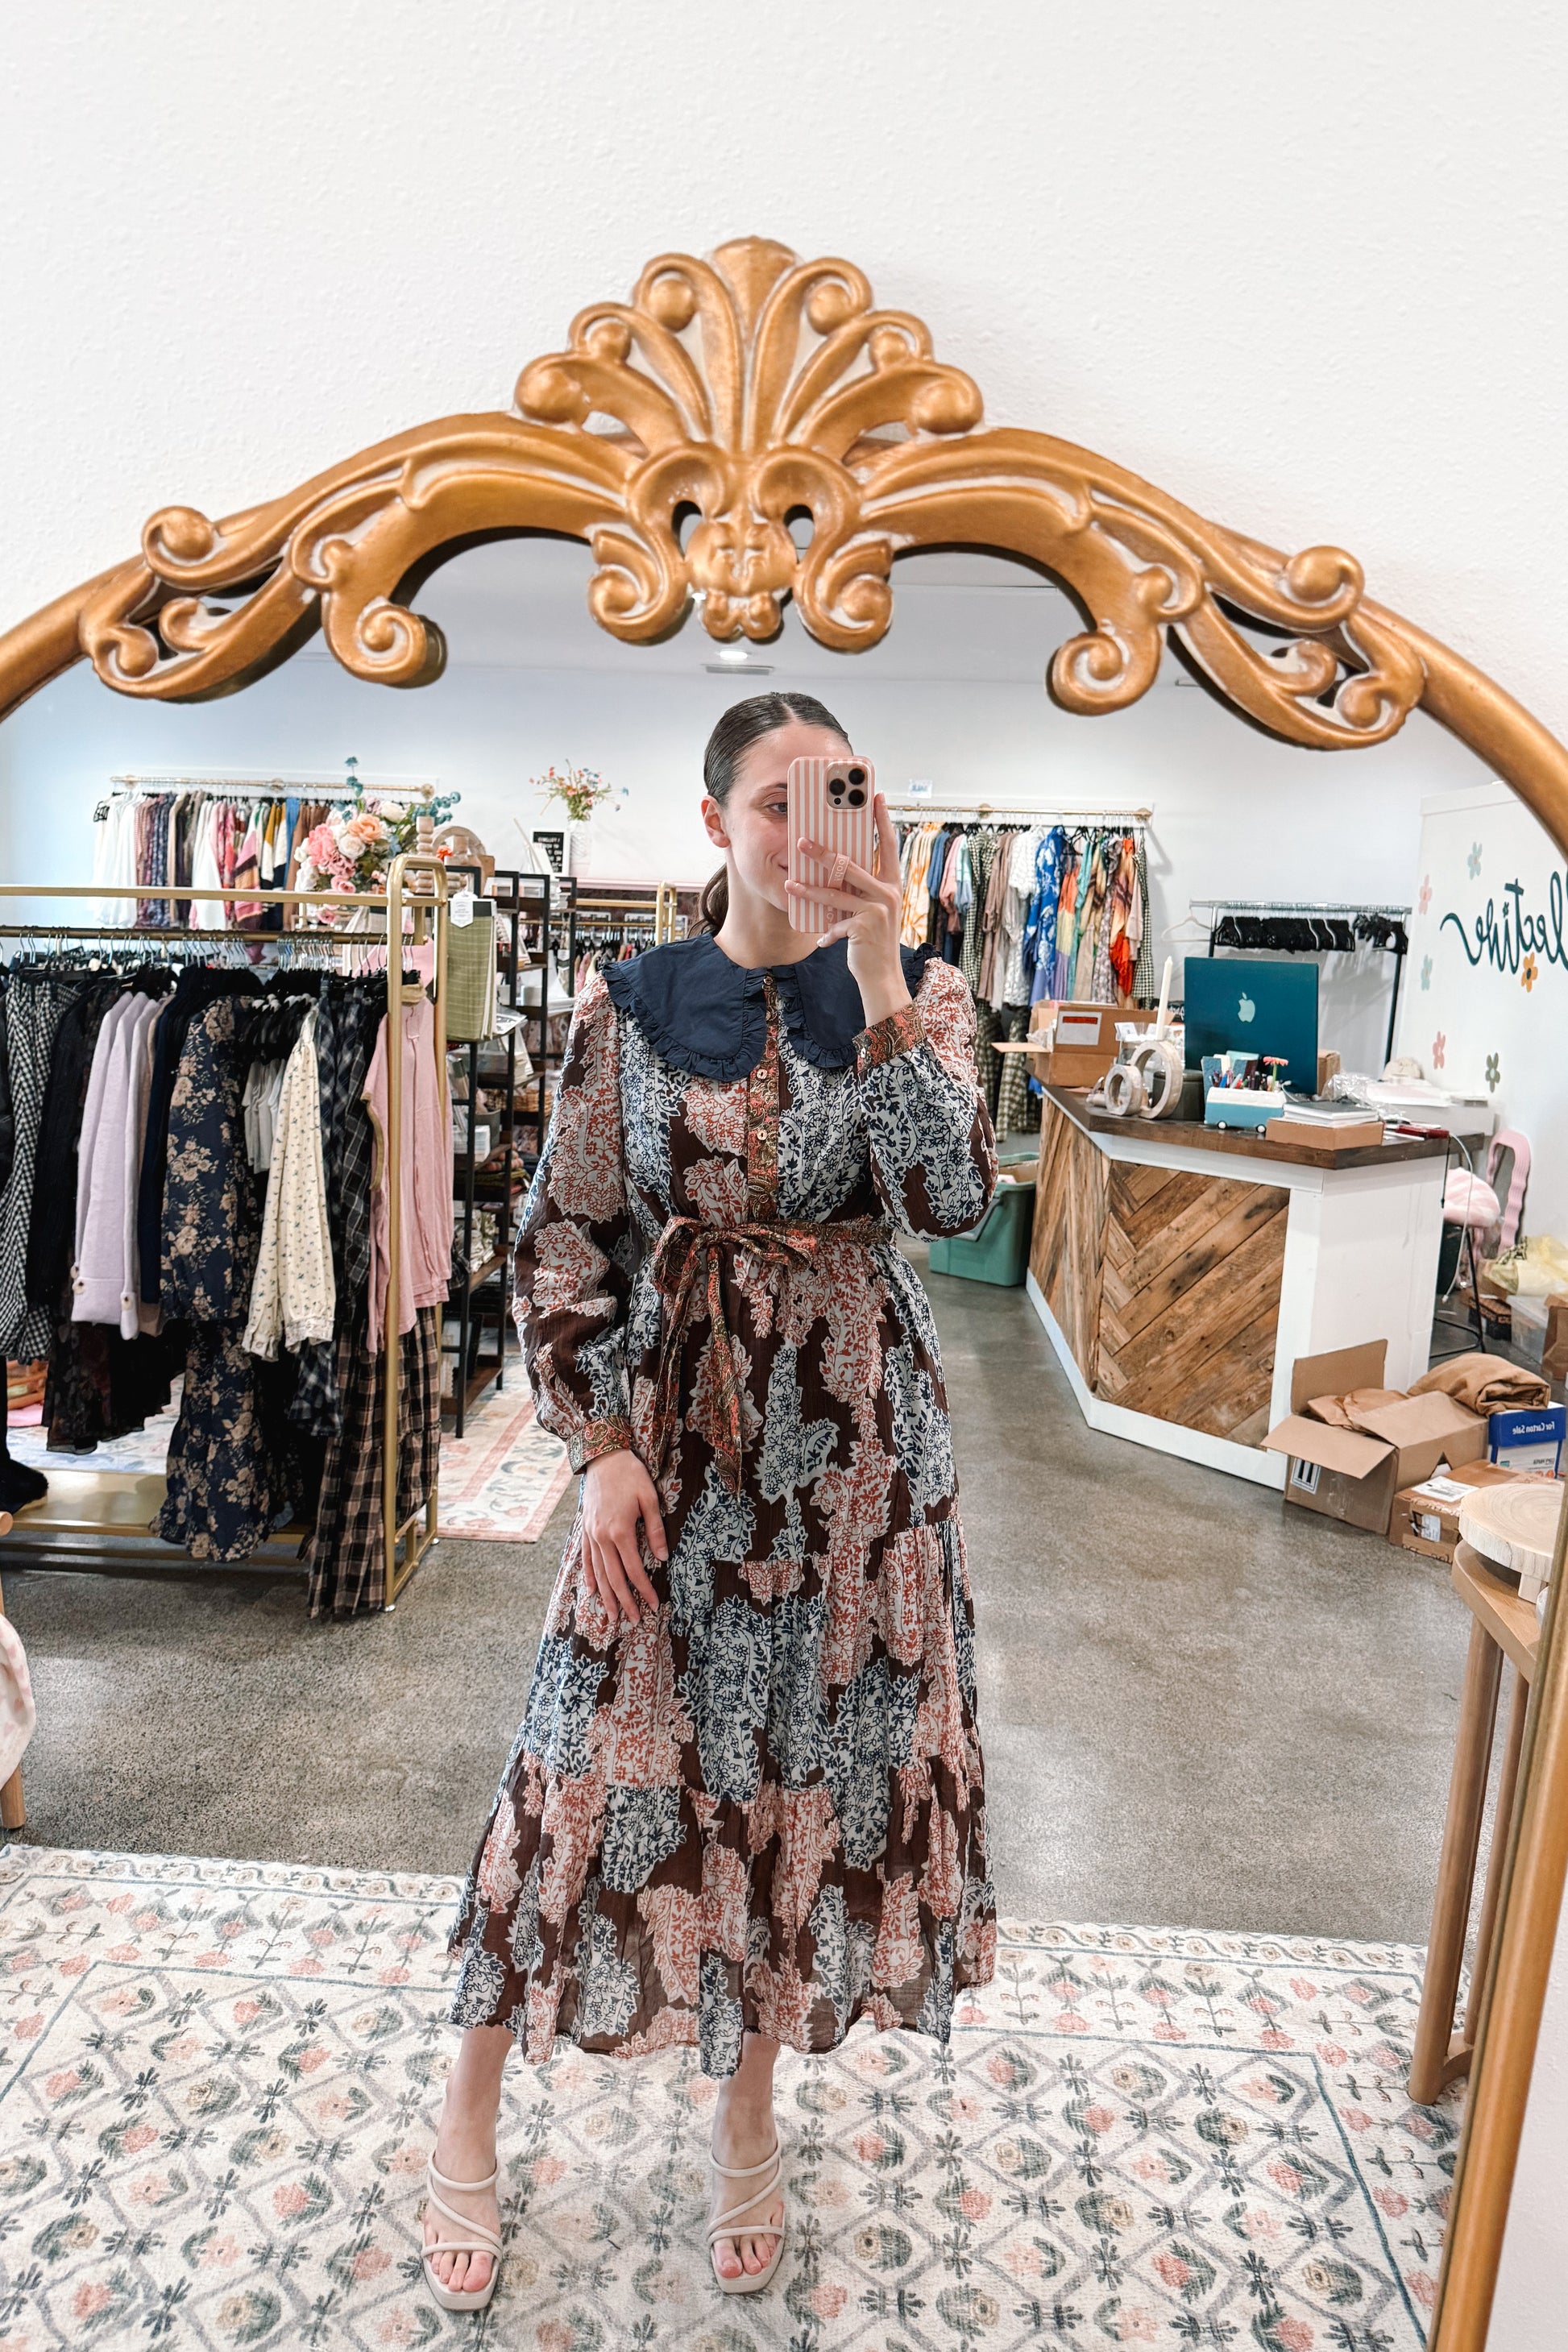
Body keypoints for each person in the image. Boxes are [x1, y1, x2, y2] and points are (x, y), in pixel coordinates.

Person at [424, 693, 997, 2311]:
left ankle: (747, 2111)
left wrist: (875, 974)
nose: (810, 834)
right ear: (712, 823)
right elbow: (560, 1236)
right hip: (673, 1457)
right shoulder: (630, 1006)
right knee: (578, 1765)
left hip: (861, 1477)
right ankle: (466, 2103)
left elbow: (950, 1198)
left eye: (839, 797)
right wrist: (597, 1440)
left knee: (798, 1785)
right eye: (775, 803)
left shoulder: (925, 995)